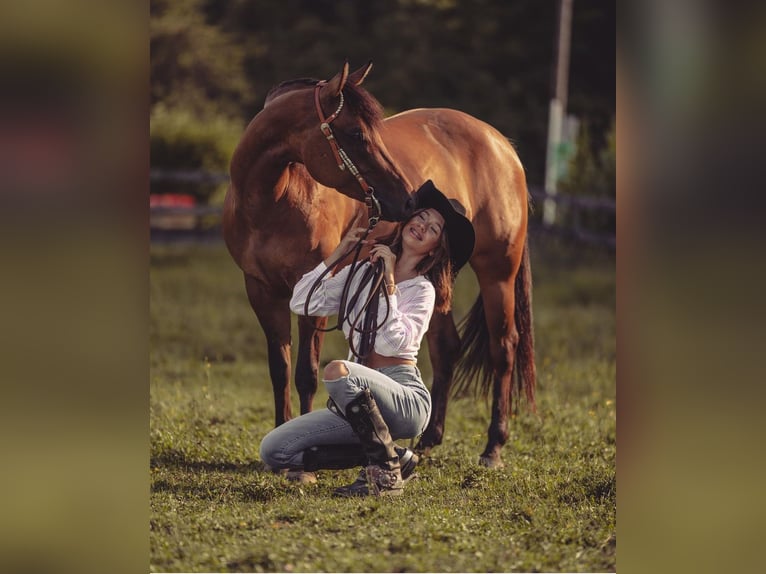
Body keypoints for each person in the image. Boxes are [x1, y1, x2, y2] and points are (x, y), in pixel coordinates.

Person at [259, 180, 475, 496]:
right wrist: (338, 254)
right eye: (422, 217)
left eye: (433, 229)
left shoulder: (422, 291)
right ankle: (392, 456)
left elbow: (393, 344)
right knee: (274, 449)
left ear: (436, 247)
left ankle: (385, 475)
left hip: (403, 397)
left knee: (336, 371)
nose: (422, 226)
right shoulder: (363, 271)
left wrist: (389, 279)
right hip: (358, 404)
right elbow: (302, 303)